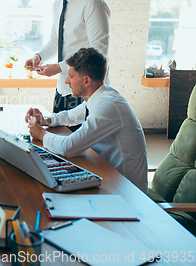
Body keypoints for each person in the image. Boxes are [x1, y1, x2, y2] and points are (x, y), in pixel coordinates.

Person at [26, 48, 148, 192]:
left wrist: (41, 134)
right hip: (107, 174)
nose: (66, 81)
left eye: (70, 76)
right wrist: (45, 120)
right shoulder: (102, 96)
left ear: (86, 80)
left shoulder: (108, 106)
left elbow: (69, 147)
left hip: (127, 191)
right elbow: (71, 116)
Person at [25, 0, 110, 130]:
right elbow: (55, 42)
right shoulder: (58, 4)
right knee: (58, 142)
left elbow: (98, 52)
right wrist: (38, 56)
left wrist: (58, 68)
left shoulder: (93, 4)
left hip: (86, 88)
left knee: (83, 152)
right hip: (63, 88)